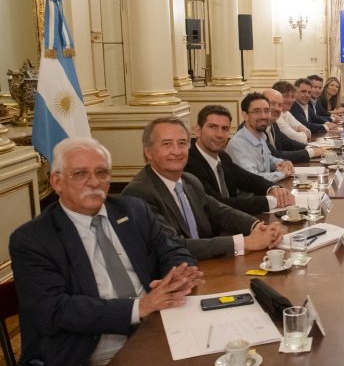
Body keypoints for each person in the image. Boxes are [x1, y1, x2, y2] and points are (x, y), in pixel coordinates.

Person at [11, 137, 203, 366]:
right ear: (56, 181)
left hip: (157, 328)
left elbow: (171, 249)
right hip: (88, 352)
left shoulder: (133, 210)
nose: (94, 182)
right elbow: (56, 309)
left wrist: (179, 273)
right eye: (80, 174)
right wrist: (139, 307)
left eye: (101, 172)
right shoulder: (33, 239)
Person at [123, 117, 284, 260]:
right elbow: (173, 244)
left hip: (206, 266)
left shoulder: (189, 180)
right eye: (167, 144)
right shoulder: (139, 193)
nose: (177, 151)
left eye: (182, 143)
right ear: (148, 152)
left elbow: (221, 212)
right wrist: (245, 242)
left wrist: (258, 227)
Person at [185, 104, 295, 215]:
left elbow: (246, 178)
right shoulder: (189, 164)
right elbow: (218, 204)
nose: (219, 134)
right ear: (198, 130)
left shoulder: (222, 156)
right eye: (213, 127)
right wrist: (271, 201)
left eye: (225, 129)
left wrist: (272, 188)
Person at [226, 92, 295, 182]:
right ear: (245, 115)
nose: (263, 116)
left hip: (266, 191)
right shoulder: (237, 144)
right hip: (251, 195)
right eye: (257, 111)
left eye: (266, 111)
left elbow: (268, 159)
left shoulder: (261, 136)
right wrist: (283, 173)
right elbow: (253, 178)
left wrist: (282, 162)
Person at [262, 88, 324, 163]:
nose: (277, 108)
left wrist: (310, 147)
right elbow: (276, 155)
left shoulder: (273, 124)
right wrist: (311, 152)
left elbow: (287, 142)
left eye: (280, 105)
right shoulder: (259, 127)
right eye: (272, 103)